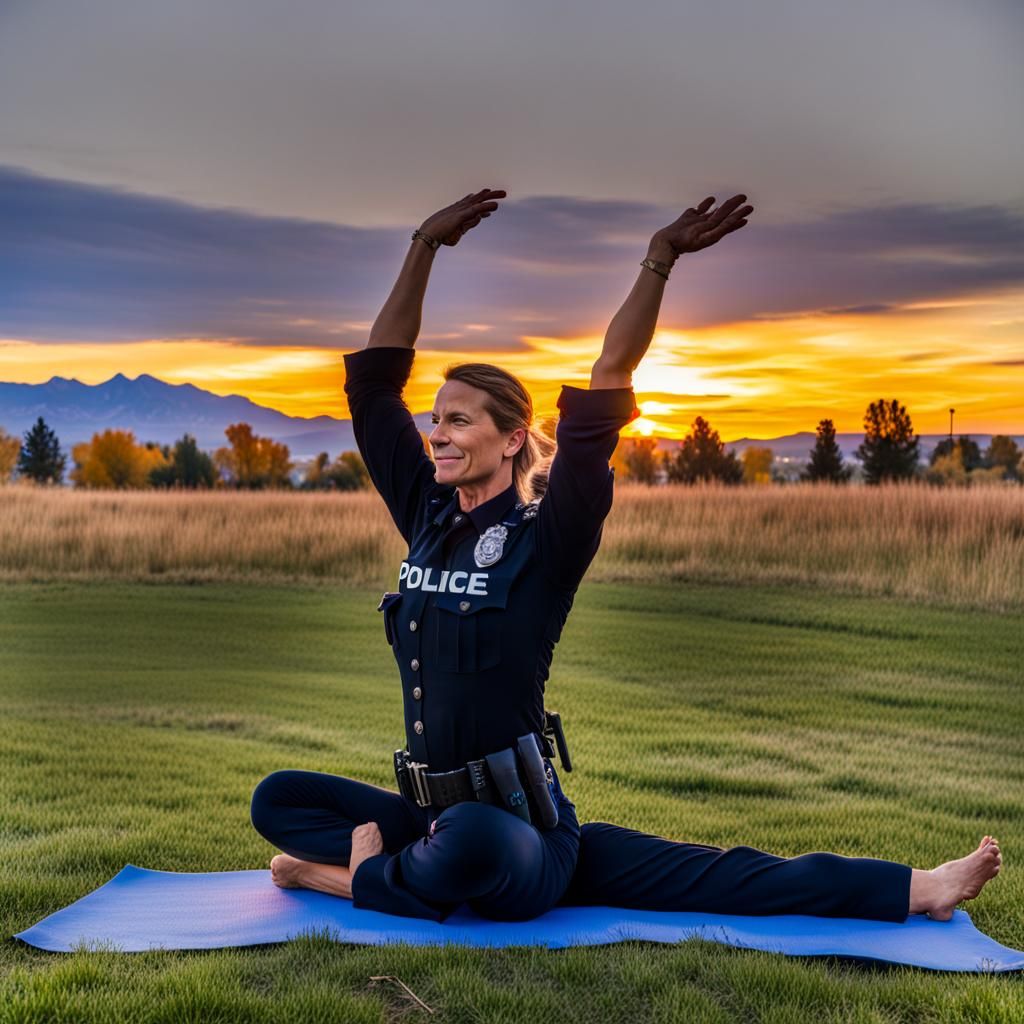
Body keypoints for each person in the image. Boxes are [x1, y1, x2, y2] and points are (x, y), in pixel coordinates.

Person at [250, 188, 1002, 924]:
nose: (436, 434)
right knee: (277, 797)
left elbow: (608, 378)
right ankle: (398, 868)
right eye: (433, 419)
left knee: (684, 868)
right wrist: (423, 244)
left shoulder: (548, 537)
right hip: (429, 820)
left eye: (458, 420)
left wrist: (658, 259)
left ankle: (348, 877)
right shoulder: (426, 511)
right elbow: (376, 378)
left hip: (523, 836)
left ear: (513, 439)